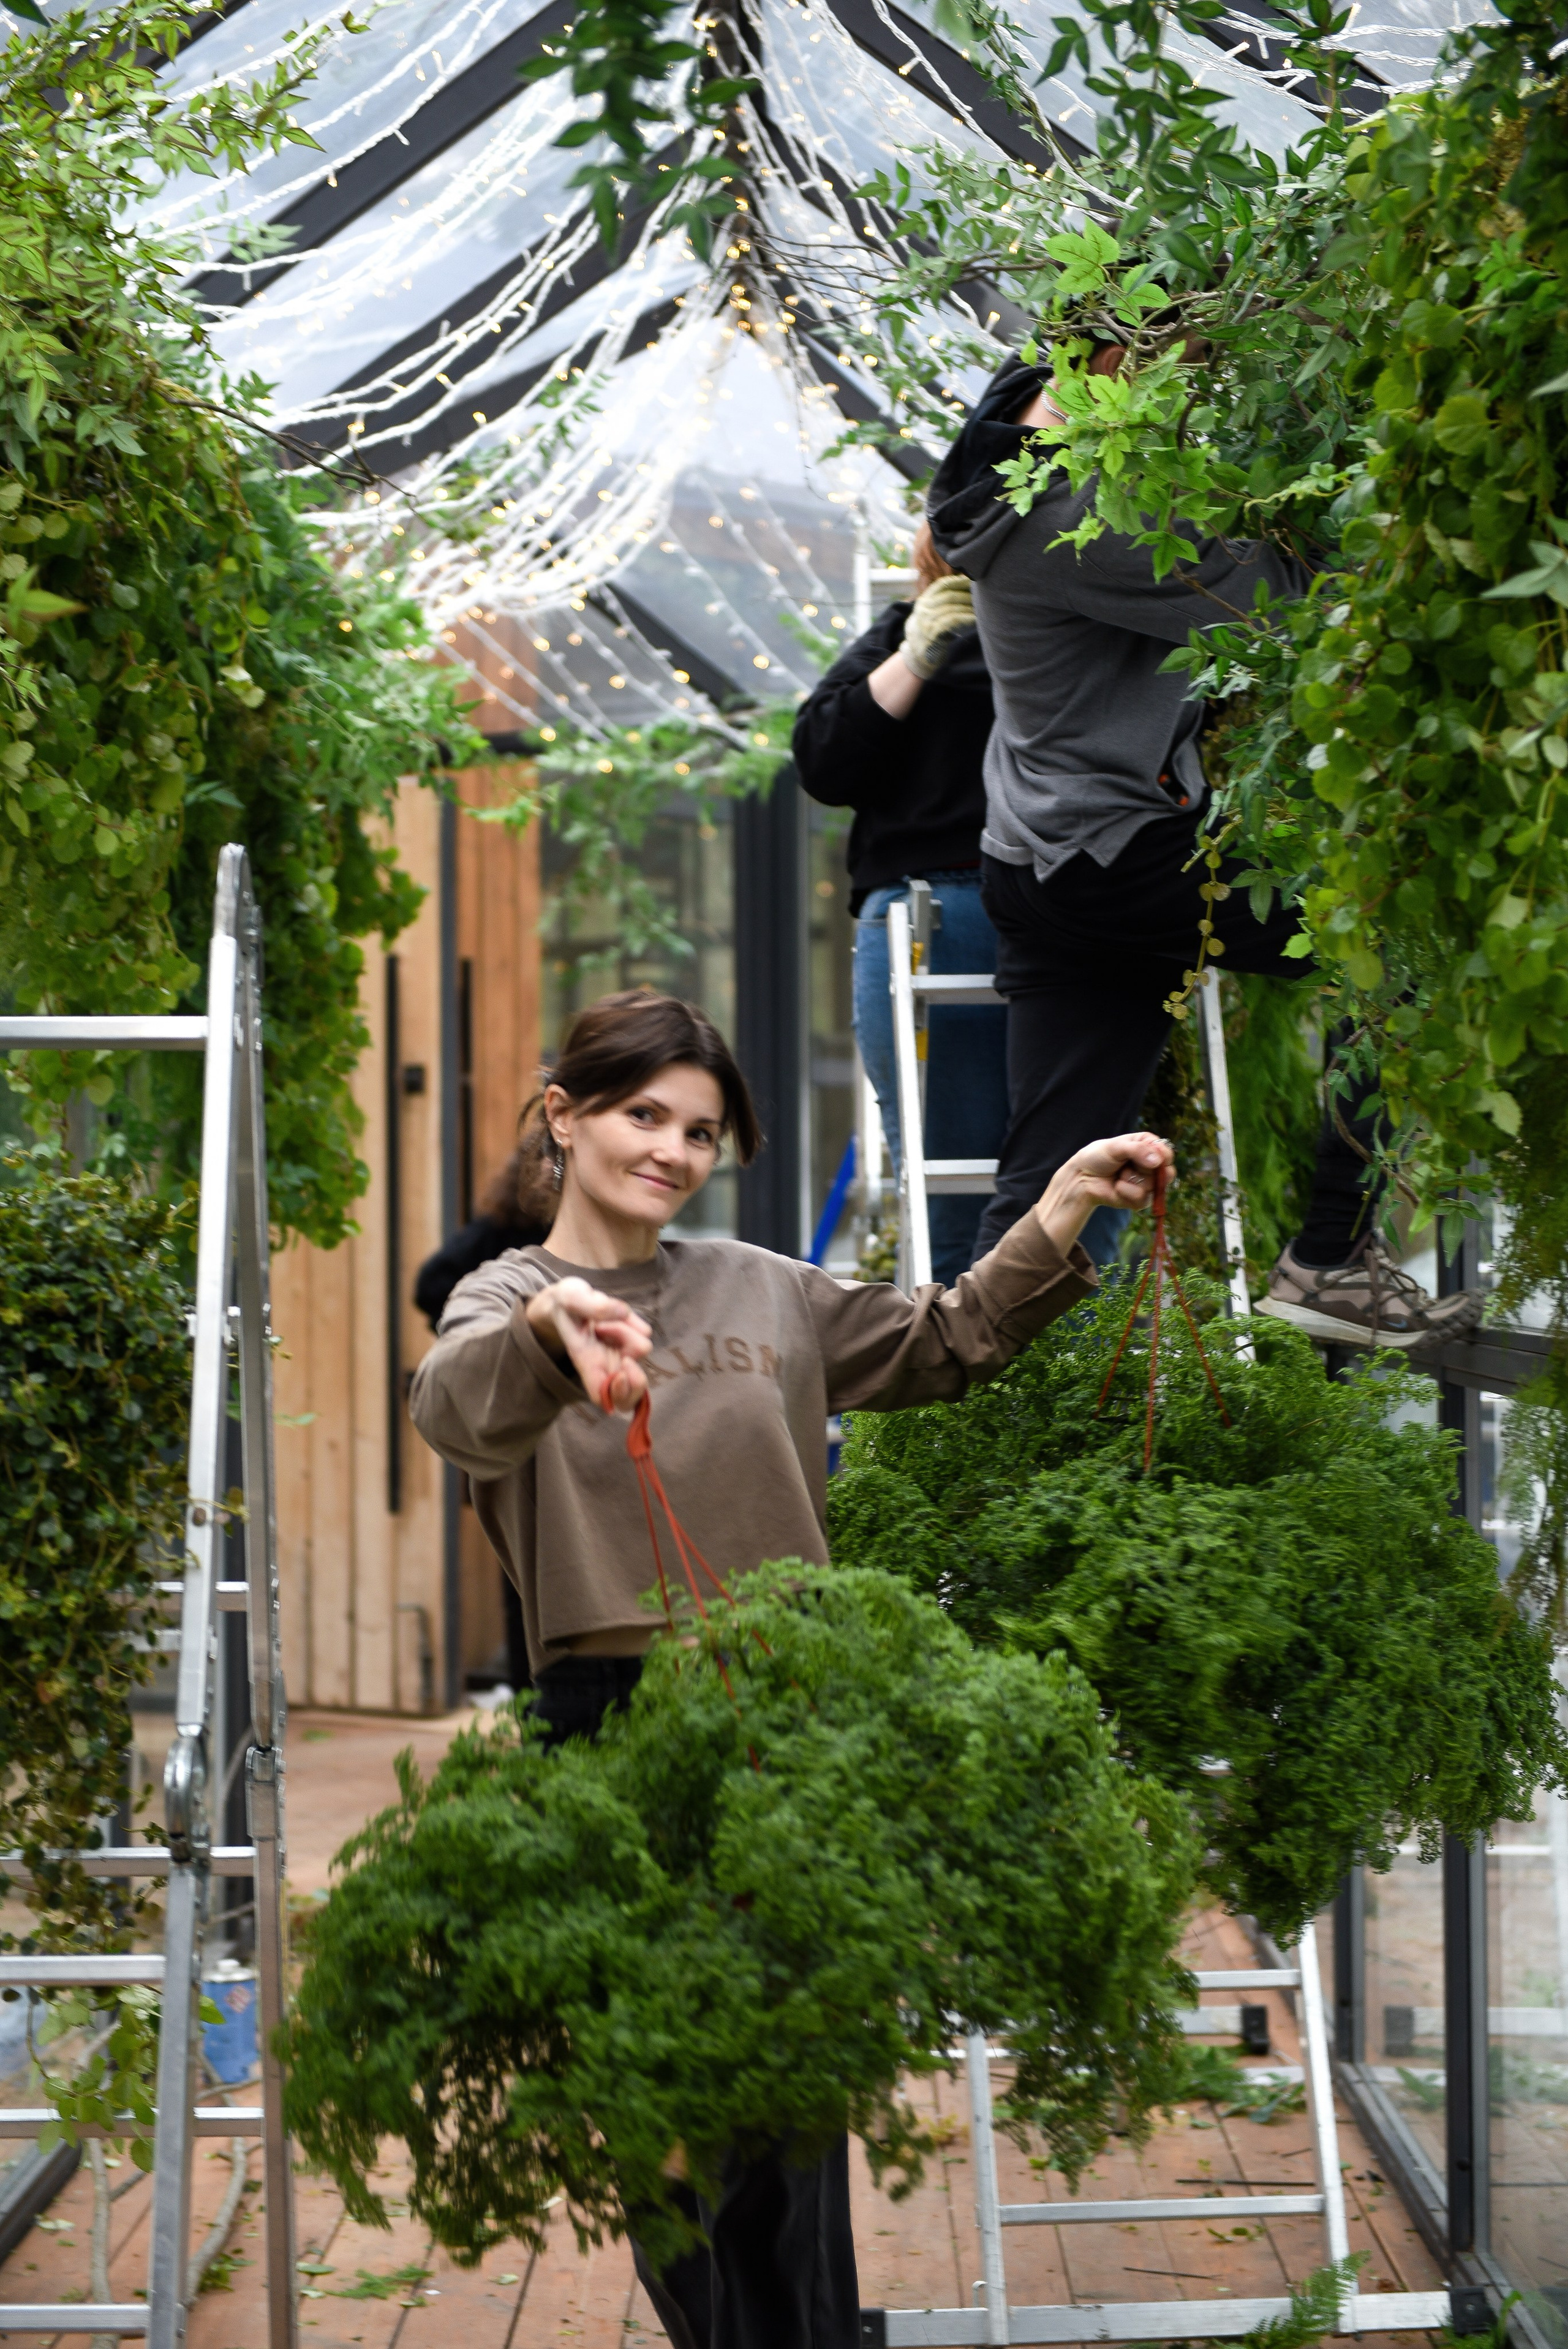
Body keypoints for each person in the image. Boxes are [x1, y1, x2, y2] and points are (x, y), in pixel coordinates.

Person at [409, 985, 1173, 2349]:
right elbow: (454, 1408)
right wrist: (551, 1340)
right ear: (564, 1117)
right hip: (607, 1731)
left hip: (788, 1719)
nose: (669, 1148)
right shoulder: (505, 1296)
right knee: (656, 2114)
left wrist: (1057, 1211)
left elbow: (947, 1339)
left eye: (699, 1131)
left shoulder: (763, 1286)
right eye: (641, 1114)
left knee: (787, 2103)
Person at [927, 347, 1482, 1346]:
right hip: (1110, 851)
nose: (1197, 383)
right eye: (1183, 360)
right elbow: (1275, 592)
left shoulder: (1016, 476)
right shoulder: (1070, 514)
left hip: (1043, 855)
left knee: (1050, 1166)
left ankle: (977, 1406)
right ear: (1112, 362)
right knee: (1394, 943)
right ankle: (1330, 1258)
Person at [794, 526, 1126, 1276]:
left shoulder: (1082, 623)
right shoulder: (909, 633)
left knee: (1080, 1196)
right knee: (970, 1198)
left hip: (1066, 906)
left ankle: (1044, 1378)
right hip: (948, 912)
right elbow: (824, 760)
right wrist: (915, 656)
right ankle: (980, 1381)